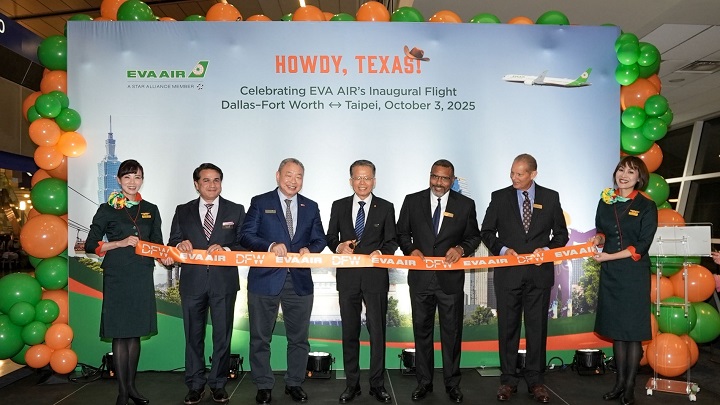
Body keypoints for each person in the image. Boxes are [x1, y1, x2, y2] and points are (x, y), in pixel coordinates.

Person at [480, 153, 568, 404]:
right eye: (512, 172)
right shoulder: (499, 197)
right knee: (507, 329)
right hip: (508, 275)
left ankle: (536, 381)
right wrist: (503, 250)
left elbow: (561, 234)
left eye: (519, 174)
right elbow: (486, 231)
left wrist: (547, 250)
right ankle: (508, 380)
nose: (514, 178)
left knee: (537, 330)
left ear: (533, 174)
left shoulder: (551, 197)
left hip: (539, 276)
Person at [240, 158, 327, 405]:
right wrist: (269, 246)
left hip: (299, 281)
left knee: (299, 339)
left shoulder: (311, 206)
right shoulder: (260, 202)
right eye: (289, 175)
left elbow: (320, 239)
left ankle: (294, 383)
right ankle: (263, 384)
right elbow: (245, 235)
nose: (293, 180)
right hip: (264, 279)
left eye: (299, 176)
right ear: (278, 175)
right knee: (260, 337)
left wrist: (310, 249)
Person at [85, 159, 172, 405]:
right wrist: (119, 243)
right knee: (120, 333)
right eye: (127, 177)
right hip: (117, 276)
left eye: (137, 177)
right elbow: (91, 244)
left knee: (134, 334)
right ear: (119, 180)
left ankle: (132, 388)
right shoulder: (107, 209)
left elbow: (157, 243)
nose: (133, 182)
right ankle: (122, 393)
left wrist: (166, 257)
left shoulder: (151, 209)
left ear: (142, 179)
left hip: (141, 275)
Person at [396, 159, 481, 403]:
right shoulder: (412, 201)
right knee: (421, 333)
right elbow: (401, 233)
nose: (439, 182)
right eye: (435, 176)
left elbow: (474, 237)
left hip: (450, 281)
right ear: (430, 176)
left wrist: (461, 249)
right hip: (420, 280)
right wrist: (411, 249)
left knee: (452, 335)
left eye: (444, 178)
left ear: (452, 181)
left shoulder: (465, 205)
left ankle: (452, 384)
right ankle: (424, 383)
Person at [168, 163, 246, 404]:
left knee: (222, 336)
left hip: (224, 283)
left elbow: (245, 244)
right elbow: (172, 243)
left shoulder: (236, 210)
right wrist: (179, 245)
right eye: (206, 180)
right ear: (196, 184)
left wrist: (226, 249)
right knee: (193, 336)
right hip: (193, 282)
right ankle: (195, 384)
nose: (212, 185)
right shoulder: (183, 210)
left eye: (216, 180)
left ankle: (218, 384)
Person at [326, 160, 398, 404]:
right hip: (347, 278)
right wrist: (339, 246)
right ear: (351, 181)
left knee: (377, 333)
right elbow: (330, 237)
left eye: (367, 178)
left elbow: (392, 241)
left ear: (374, 181)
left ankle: (377, 385)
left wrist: (381, 253)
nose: (362, 182)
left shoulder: (386, 207)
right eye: (358, 177)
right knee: (349, 333)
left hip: (375, 278)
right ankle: (352, 385)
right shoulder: (338, 206)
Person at [590, 156, 657, 405]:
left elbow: (642, 245)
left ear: (639, 178)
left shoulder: (646, 205)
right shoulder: (605, 201)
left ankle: (629, 387)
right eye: (621, 170)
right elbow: (602, 231)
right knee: (617, 332)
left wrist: (609, 256)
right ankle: (618, 384)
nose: (624, 175)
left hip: (633, 273)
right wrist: (597, 240)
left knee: (633, 333)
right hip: (611, 273)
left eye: (631, 171)